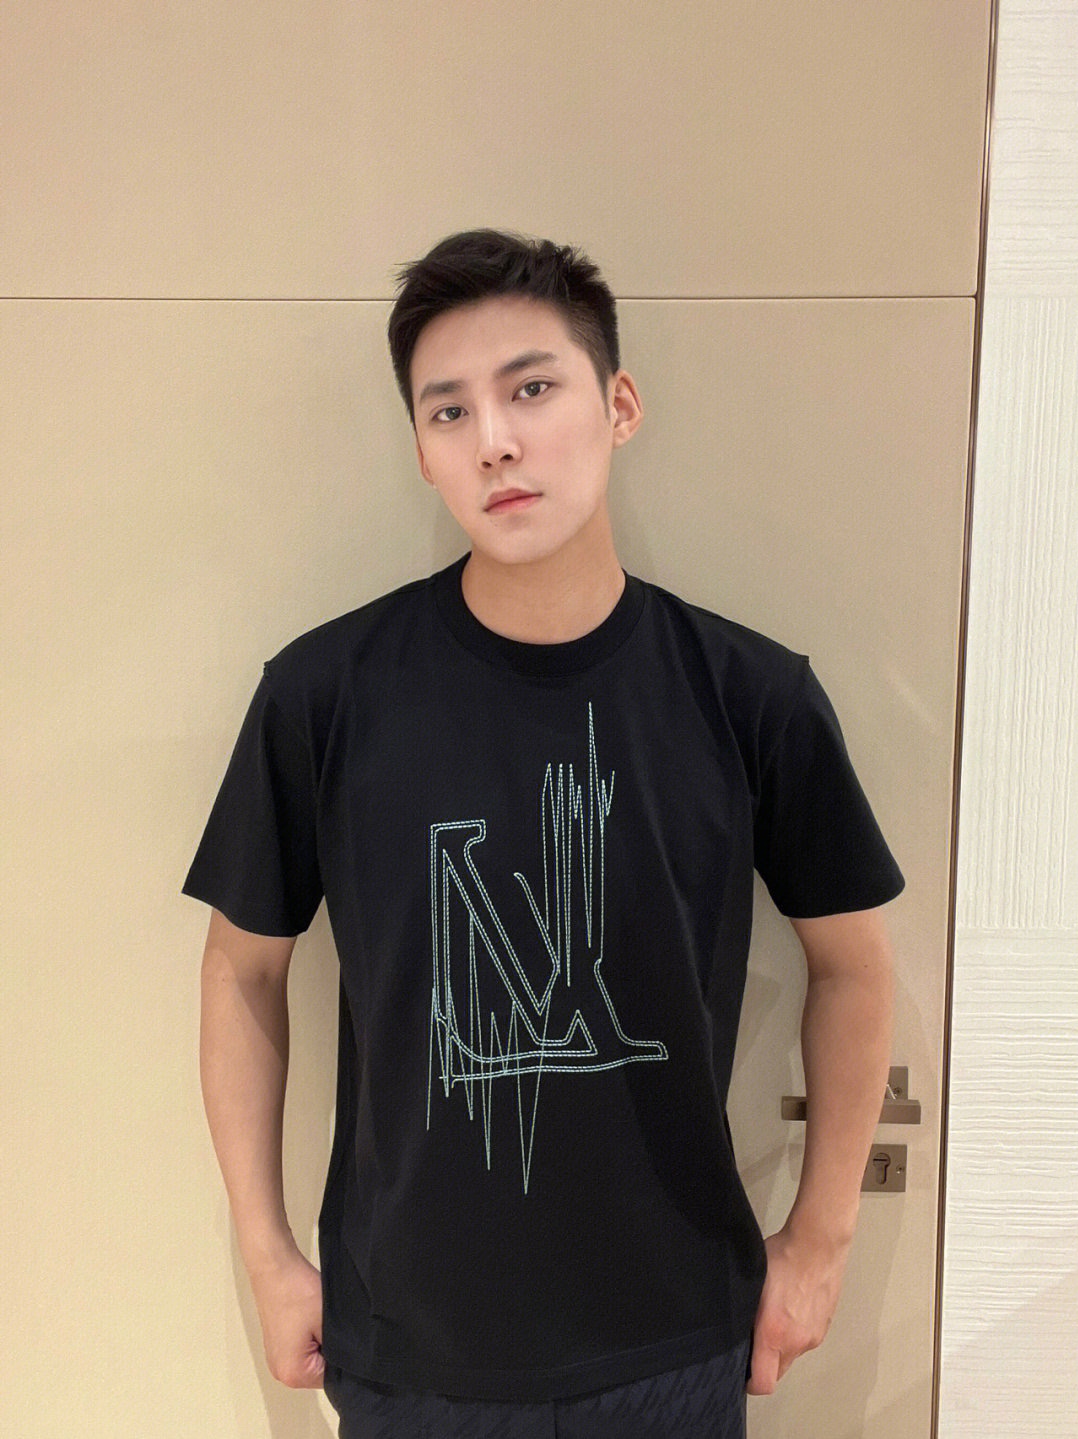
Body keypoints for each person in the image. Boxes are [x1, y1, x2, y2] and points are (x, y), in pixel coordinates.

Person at [183, 228, 904, 1438]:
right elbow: (240, 970)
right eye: (449, 410)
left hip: (676, 1342)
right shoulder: (325, 694)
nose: (496, 441)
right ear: (422, 452)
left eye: (531, 388)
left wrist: (821, 1240)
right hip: (410, 1352)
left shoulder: (750, 695)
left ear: (618, 405)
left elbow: (854, 965)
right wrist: (267, 1253)